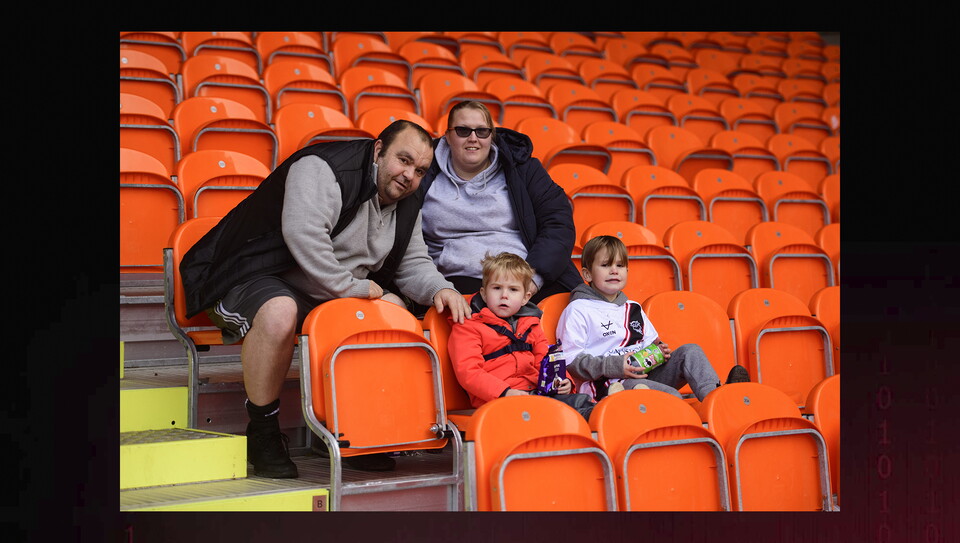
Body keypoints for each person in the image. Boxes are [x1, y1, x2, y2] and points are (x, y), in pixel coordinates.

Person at [179, 120, 472, 478]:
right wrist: (353, 289)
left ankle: (345, 428)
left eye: (420, 170)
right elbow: (304, 237)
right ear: (379, 150)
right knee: (279, 312)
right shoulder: (323, 168)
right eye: (403, 160)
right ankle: (263, 430)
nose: (409, 175)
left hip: (325, 292)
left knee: (393, 311)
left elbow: (413, 264)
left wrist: (441, 289)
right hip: (253, 272)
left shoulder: (406, 201)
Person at [417, 100, 582, 306]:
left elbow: (558, 221)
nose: (473, 138)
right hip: (459, 278)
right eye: (463, 130)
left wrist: (532, 280)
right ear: (448, 136)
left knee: (579, 311)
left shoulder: (522, 168)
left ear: (492, 135)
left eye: (482, 131)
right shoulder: (423, 170)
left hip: (526, 274)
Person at [556, 235, 749, 403]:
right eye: (606, 265)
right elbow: (570, 361)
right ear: (587, 274)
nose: (614, 270)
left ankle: (719, 400)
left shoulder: (633, 308)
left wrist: (659, 351)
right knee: (670, 396)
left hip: (643, 375)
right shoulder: (578, 309)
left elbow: (650, 344)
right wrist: (615, 365)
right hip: (610, 384)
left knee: (691, 351)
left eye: (620, 265)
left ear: (627, 272)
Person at [447, 252, 596, 421]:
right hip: (497, 400)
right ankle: (595, 420)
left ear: (525, 298)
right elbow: (469, 372)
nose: (504, 295)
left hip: (536, 394)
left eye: (513, 289)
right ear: (483, 293)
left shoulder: (530, 323)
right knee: (569, 412)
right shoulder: (468, 326)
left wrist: (564, 381)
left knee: (580, 401)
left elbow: (545, 359)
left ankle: (602, 417)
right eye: (496, 288)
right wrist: (504, 392)